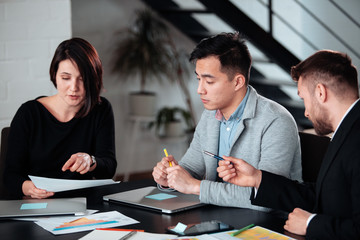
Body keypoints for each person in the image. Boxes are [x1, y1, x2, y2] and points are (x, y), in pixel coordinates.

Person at [217, 50, 360, 239]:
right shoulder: (348, 128)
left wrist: (310, 224)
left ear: (320, 92)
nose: (306, 112)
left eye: (303, 99)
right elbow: (322, 195)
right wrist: (257, 178)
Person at [152, 32, 302, 210]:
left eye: (209, 81)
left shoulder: (277, 121)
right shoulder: (210, 115)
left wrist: (194, 186)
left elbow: (266, 198)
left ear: (238, 82)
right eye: (199, 79)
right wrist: (169, 177)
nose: (200, 90)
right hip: (215, 214)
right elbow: (191, 167)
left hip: (266, 224)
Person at [4, 38, 117, 199]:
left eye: (82, 79)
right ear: (54, 75)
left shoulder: (101, 109)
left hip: (84, 204)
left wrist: (90, 160)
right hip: (37, 204)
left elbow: (109, 167)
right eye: (66, 78)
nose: (74, 87)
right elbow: (10, 176)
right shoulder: (29, 113)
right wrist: (29, 188)